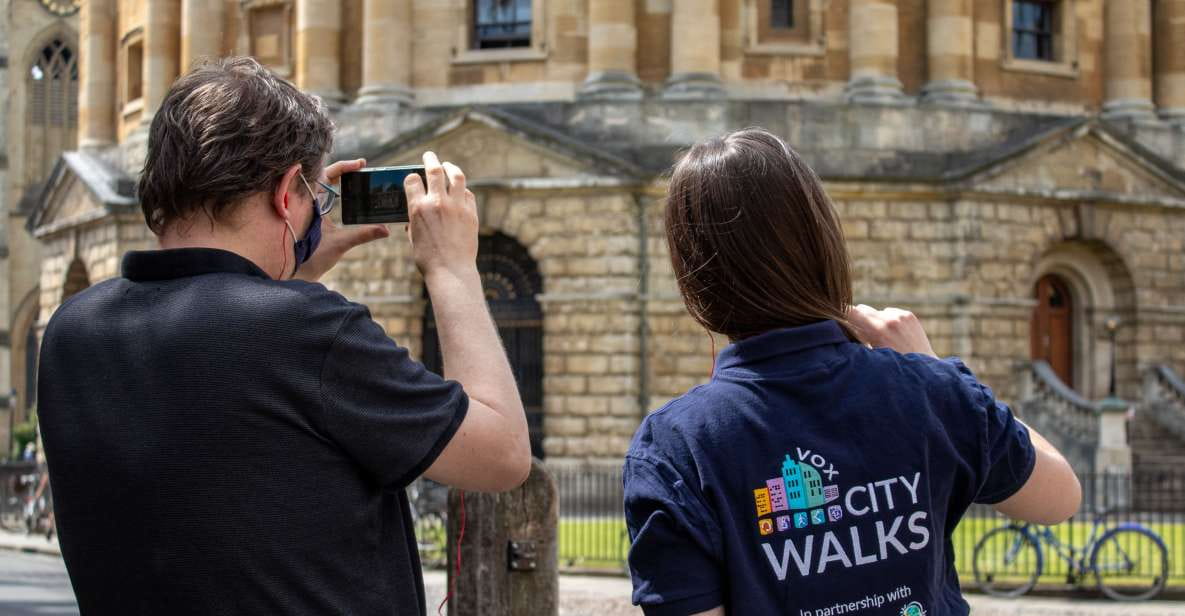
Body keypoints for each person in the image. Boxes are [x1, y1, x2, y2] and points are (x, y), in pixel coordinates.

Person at [37, 57, 531, 615]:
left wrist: (285, 271)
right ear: (285, 191)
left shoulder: (71, 332)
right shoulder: (307, 331)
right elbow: (503, 455)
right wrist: (452, 269)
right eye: (312, 197)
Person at [623, 128, 1081, 616]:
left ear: (693, 272)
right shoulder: (930, 390)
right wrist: (934, 369)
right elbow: (1061, 498)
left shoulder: (674, 445)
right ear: (822, 240)